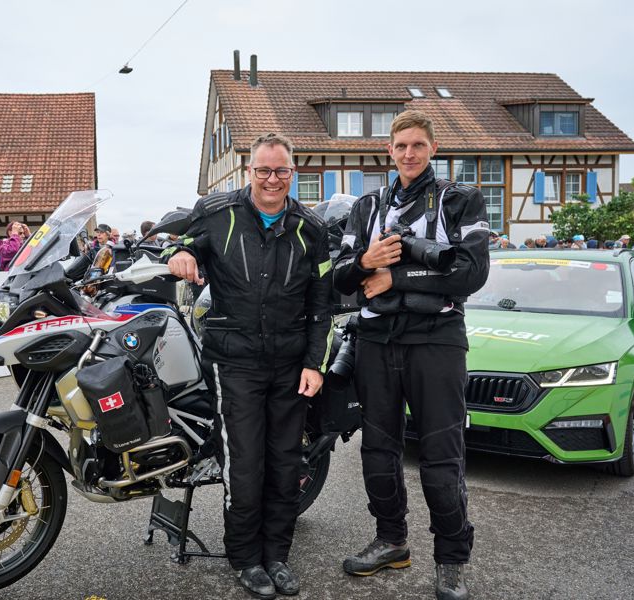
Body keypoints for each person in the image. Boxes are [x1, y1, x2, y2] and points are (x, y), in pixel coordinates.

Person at [165, 132, 332, 599]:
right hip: (234, 363)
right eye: (263, 170)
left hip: (291, 366)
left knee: (285, 464)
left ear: (293, 172)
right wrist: (181, 254)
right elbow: (181, 246)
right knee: (244, 465)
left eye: (281, 171)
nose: (272, 179)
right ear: (249, 171)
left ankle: (276, 556)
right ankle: (245, 558)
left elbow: (322, 306)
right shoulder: (217, 212)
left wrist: (315, 364)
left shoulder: (312, 229)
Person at [333, 110, 488, 600]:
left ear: (433, 148)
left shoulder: (460, 199)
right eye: (401, 146)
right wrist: (365, 261)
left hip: (436, 341)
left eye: (418, 145)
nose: (409, 153)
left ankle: (451, 560)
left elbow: (471, 273)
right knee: (378, 452)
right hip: (376, 342)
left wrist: (393, 278)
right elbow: (340, 277)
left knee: (441, 456)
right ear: (389, 151)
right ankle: (391, 541)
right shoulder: (367, 206)